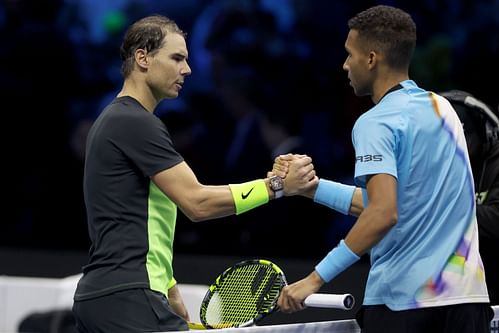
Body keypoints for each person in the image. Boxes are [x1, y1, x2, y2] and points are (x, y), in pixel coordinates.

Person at [71, 14, 317, 333]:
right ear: (142, 57)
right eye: (177, 58)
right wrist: (277, 186)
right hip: (128, 297)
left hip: (105, 298)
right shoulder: (136, 123)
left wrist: (170, 289)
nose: (187, 69)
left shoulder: (112, 120)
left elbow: (133, 213)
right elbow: (197, 203)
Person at [272, 5, 493, 333]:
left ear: (371, 59)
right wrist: (311, 188)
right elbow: (394, 204)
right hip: (468, 304)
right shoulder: (442, 108)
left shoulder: (375, 122)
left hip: (404, 307)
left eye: (349, 54)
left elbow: (384, 214)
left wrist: (315, 279)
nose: (345, 65)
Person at [440, 90, 499, 305]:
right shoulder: (432, 163)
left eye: (464, 142)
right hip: (454, 292)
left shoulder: (496, 161)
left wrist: (442, 211)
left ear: (485, 134)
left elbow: (496, 221)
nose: (458, 153)